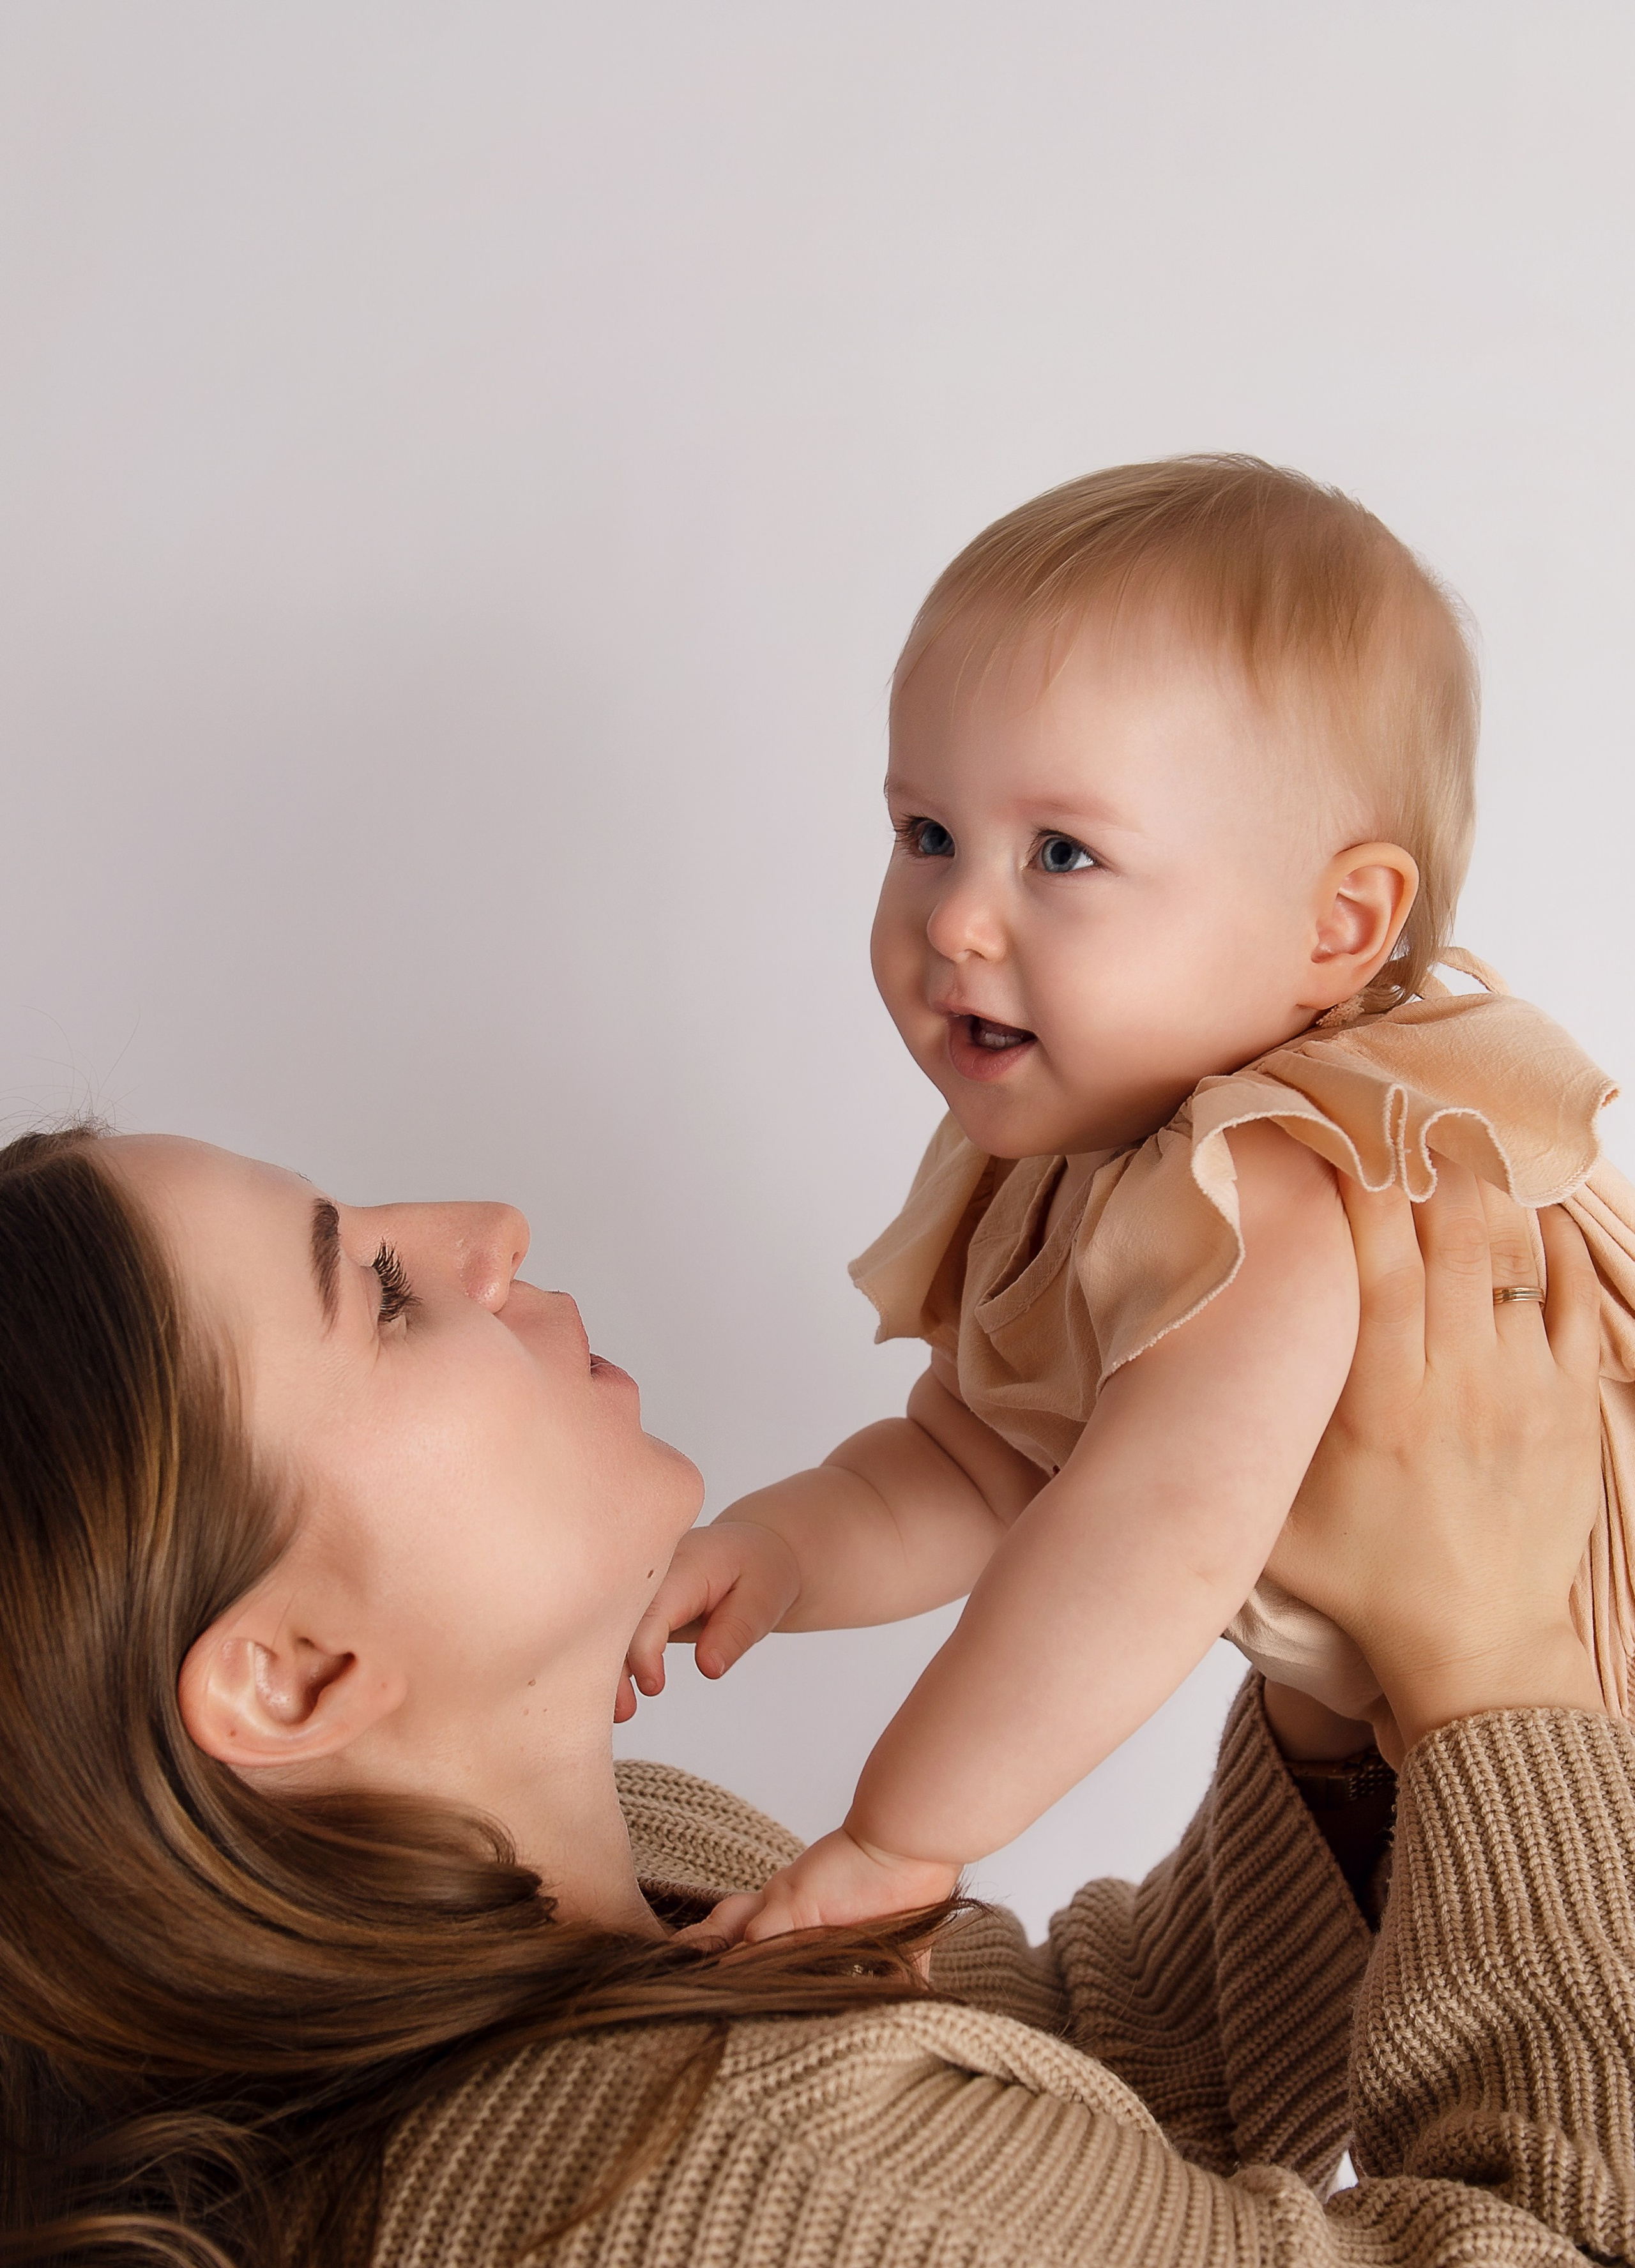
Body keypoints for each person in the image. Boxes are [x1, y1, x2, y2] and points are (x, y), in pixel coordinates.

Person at [3, 1118, 1635, 2268]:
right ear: (287, 1675)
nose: (485, 1224)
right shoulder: (729, 2223)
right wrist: (1496, 1675)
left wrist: (1341, 1709)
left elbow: (1088, 2111)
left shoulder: (611, 1881)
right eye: (375, 1288)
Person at [623, 455, 1635, 1940]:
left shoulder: (1276, 1179)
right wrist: (782, 1546)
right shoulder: (1076, 1164)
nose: (956, 920)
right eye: (924, 836)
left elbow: (1146, 1535)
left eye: (1062, 854)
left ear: (1336, 927)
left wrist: (902, 1835)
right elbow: (982, 1467)